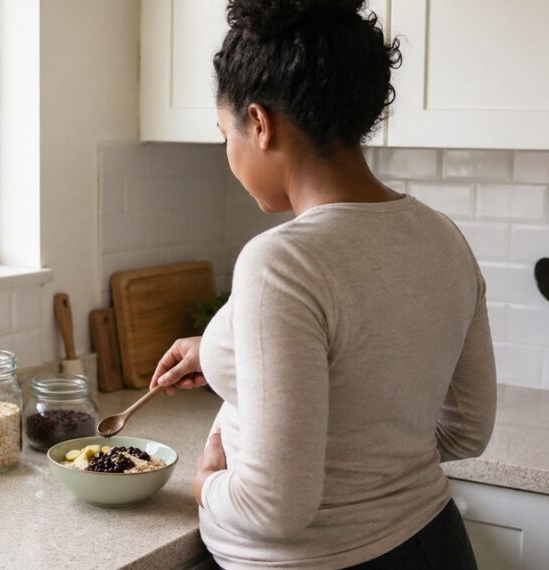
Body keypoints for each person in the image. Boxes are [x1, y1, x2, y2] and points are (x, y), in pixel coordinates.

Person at [148, 0, 498, 568]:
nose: (228, 157)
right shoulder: (442, 238)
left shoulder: (281, 262)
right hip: (435, 546)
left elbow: (274, 506)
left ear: (259, 124)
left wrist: (207, 483)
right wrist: (215, 350)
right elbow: (466, 433)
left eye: (225, 135)